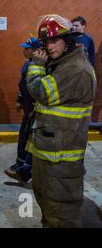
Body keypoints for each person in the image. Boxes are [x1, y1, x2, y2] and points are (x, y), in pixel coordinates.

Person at [26, 14, 96, 227]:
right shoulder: (62, 64)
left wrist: (36, 64)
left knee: (61, 213)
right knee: (49, 208)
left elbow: (41, 91)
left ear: (68, 42)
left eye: (54, 40)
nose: (49, 46)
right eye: (46, 42)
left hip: (62, 160)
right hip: (51, 155)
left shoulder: (75, 69)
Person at [4, 37, 41, 183]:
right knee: (24, 137)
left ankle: (22, 168)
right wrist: (20, 100)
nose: (24, 51)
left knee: (28, 138)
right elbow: (23, 86)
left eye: (27, 48)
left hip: (34, 110)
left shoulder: (40, 67)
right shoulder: (27, 65)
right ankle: (21, 165)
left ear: (37, 50)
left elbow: (37, 89)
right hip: (28, 109)